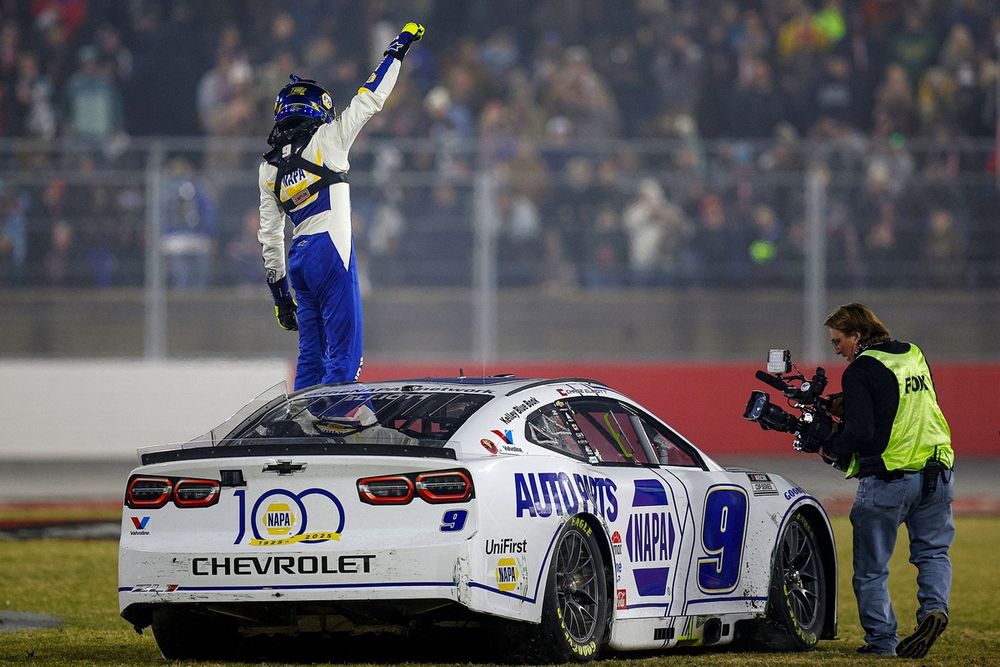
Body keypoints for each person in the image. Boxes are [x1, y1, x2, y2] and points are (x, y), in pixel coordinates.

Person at [258, 22, 425, 390]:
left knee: (311, 356)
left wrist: (281, 298)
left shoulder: (268, 168)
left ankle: (303, 422)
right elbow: (370, 98)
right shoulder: (329, 139)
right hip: (330, 251)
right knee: (346, 357)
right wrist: (397, 50)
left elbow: (270, 238)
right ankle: (337, 423)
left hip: (299, 260)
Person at [816, 303, 954, 658]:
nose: (836, 349)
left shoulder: (860, 370)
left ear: (857, 335)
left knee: (871, 568)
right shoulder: (912, 354)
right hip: (937, 472)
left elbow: (862, 431)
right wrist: (849, 402)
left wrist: (831, 445)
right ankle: (934, 610)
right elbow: (905, 402)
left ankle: (882, 642)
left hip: (889, 479)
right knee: (933, 553)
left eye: (838, 341)